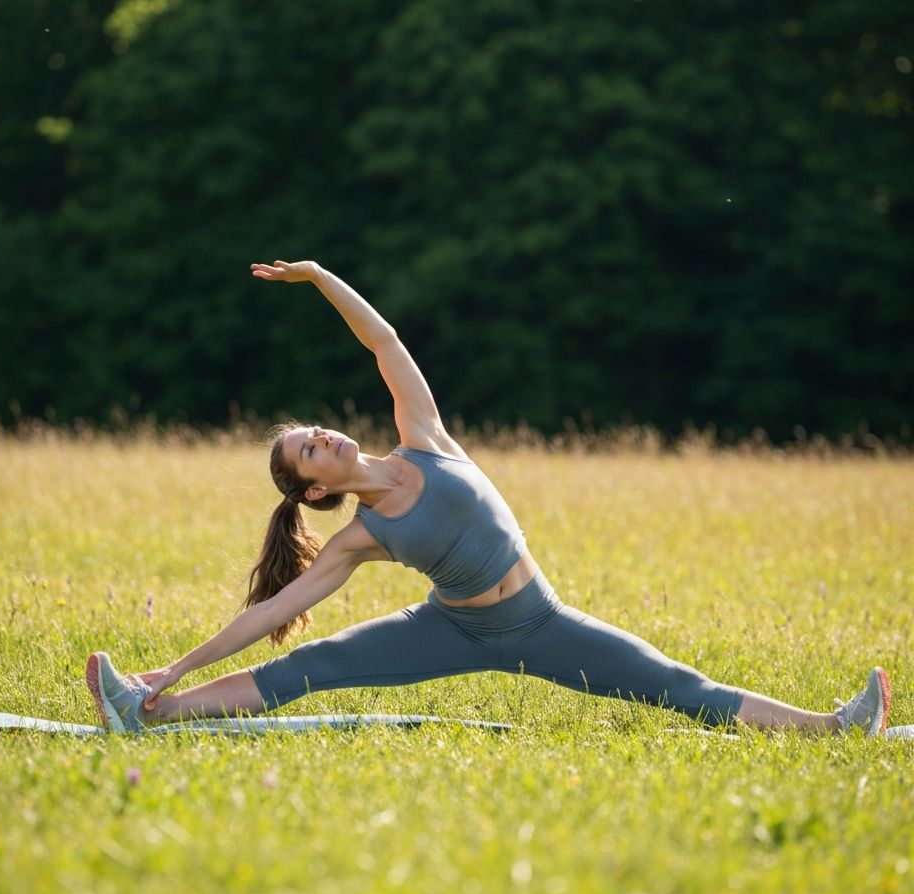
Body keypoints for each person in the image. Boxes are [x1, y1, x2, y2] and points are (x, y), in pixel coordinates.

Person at [85, 261, 891, 736]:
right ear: (317, 488)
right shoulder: (360, 537)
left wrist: (319, 278)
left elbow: (386, 342)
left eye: (313, 430)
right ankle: (149, 708)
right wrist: (177, 662)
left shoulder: (423, 437)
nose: (321, 436)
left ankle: (831, 728)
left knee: (679, 685)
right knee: (309, 667)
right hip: (448, 631)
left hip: (542, 621)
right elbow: (268, 614)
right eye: (307, 451)